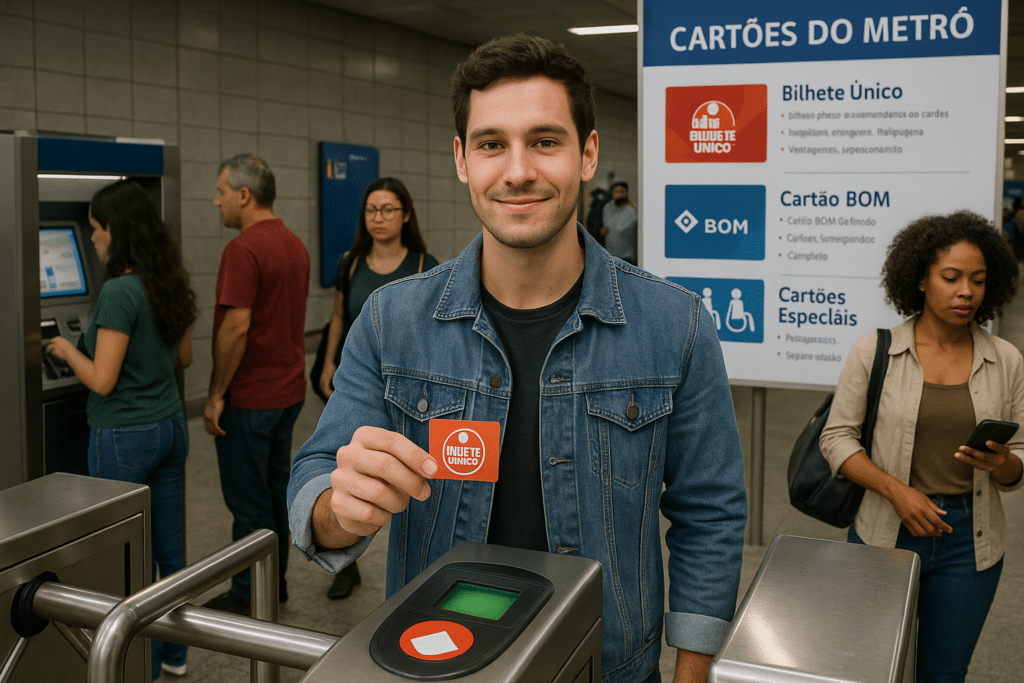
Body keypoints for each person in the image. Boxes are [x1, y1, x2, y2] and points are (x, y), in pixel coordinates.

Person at [288, 34, 747, 683]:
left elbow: (710, 511)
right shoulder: (393, 322)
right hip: (435, 661)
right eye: (491, 144)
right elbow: (315, 477)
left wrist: (693, 670)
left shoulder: (676, 326)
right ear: (461, 159)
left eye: (545, 140)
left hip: (608, 667)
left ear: (587, 153)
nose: (518, 170)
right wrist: (340, 510)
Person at [821, 211, 1024, 683]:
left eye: (977, 280)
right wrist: (897, 491)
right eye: (951, 278)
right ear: (919, 280)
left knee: (944, 673)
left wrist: (1004, 464)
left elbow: (1019, 463)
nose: (966, 292)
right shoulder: (875, 351)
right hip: (885, 531)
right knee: (872, 669)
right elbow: (836, 439)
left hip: (970, 541)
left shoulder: (1006, 359)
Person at [47, 180, 197, 680]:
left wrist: (66, 350)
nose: (92, 238)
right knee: (169, 553)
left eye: (96, 228)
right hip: (172, 427)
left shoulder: (118, 291)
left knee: (125, 555)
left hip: (124, 437)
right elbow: (185, 357)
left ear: (118, 231)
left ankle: (139, 665)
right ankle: (175, 655)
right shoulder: (169, 279)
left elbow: (102, 381)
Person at [315, 176, 439, 599]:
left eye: (388, 209)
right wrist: (329, 362)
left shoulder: (424, 265)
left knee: (403, 474)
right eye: (372, 210)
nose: (379, 218)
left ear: (405, 215)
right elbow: (338, 316)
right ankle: (344, 563)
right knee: (346, 468)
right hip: (359, 380)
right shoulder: (350, 262)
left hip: (409, 388)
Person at [203, 153, 311, 615]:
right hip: (288, 393)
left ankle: (250, 598)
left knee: (248, 505)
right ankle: (275, 586)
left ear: (244, 195)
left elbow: (236, 328)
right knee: (274, 493)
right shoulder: (293, 244)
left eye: (221, 192)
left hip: (250, 400)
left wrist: (215, 395)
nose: (216, 201)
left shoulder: (243, 249)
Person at [601, 181, 638, 265]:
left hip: (626, 256)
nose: (619, 194)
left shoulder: (631, 211)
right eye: (616, 192)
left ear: (626, 193)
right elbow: (606, 226)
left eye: (621, 192)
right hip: (609, 255)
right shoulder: (607, 208)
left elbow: (620, 228)